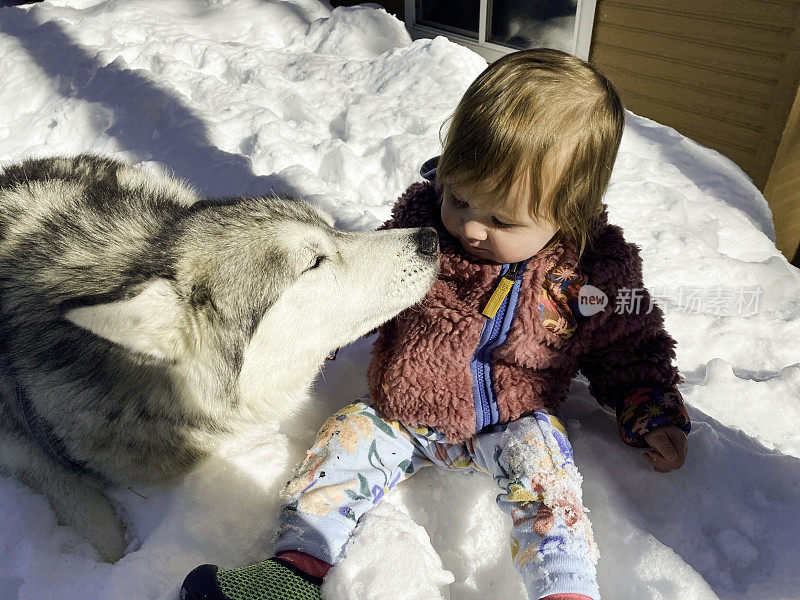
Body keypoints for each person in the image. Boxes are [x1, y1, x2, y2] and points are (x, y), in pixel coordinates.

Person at [180, 48, 691, 600]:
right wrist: (297, 338)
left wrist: (649, 405)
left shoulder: (594, 273)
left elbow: (631, 346)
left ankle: (565, 590)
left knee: (549, 485)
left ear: (570, 212)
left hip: (512, 421)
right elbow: (359, 289)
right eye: (459, 197)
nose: (471, 227)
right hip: (403, 411)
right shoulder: (421, 226)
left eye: (501, 220)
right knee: (342, 446)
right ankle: (292, 572)